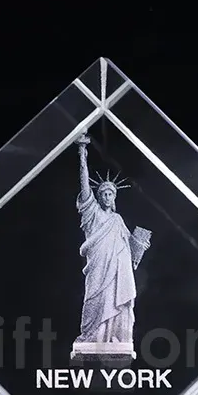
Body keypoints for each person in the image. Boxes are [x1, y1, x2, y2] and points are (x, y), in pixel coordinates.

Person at [73, 133, 151, 355]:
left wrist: (139, 246)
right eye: (104, 193)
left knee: (117, 299)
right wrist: (82, 153)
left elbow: (128, 245)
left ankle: (117, 336)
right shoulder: (92, 213)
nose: (108, 197)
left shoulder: (118, 220)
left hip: (118, 268)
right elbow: (84, 185)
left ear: (114, 197)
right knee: (94, 299)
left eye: (111, 194)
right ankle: (91, 336)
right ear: (99, 197)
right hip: (98, 265)